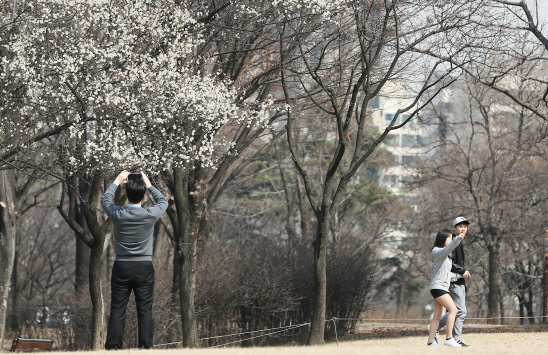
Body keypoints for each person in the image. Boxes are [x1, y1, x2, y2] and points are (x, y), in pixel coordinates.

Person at [101, 170, 168, 350]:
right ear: (144, 195)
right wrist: (149, 184)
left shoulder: (118, 213)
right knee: (145, 309)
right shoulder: (149, 214)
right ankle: (146, 347)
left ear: (126, 194)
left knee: (117, 308)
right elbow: (164, 201)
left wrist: (116, 181)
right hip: (144, 266)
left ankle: (113, 347)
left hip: (121, 265)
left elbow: (105, 200)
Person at [435, 217, 472, 347]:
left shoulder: (458, 242)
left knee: (456, 310)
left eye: (465, 226)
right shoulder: (452, 243)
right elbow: (449, 263)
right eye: (460, 226)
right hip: (454, 281)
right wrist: (462, 270)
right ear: (454, 228)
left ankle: (436, 329)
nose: (463, 228)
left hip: (457, 280)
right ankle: (454, 338)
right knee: (460, 311)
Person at [426, 229, 465, 348]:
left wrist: (461, 275)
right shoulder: (438, 252)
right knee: (454, 310)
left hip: (440, 287)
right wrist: (458, 238)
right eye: (449, 238)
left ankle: (430, 342)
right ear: (442, 239)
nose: (450, 240)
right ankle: (449, 338)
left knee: (437, 316)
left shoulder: (445, 257)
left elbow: (448, 274)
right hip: (438, 287)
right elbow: (448, 248)